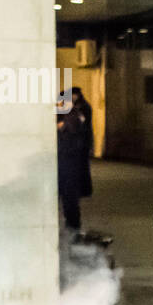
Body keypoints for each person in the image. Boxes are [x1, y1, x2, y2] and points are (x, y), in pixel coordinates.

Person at [57, 88, 93, 234]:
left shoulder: (73, 116)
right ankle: (72, 225)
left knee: (70, 197)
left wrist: (61, 126)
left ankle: (73, 226)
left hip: (69, 162)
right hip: (71, 161)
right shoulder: (74, 114)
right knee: (69, 198)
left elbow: (72, 131)